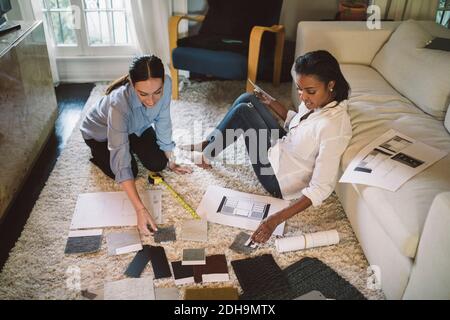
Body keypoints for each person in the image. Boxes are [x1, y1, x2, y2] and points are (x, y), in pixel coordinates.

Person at [183, 50, 353, 243]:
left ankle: (206, 154)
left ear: (331, 84)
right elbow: (296, 124)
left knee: (243, 113)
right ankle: (209, 144)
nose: (303, 97)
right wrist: (270, 102)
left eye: (310, 91)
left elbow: (321, 188)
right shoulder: (320, 103)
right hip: (283, 146)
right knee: (248, 99)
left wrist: (274, 220)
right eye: (299, 89)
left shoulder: (333, 127)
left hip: (277, 178)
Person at [80, 55, 192, 236]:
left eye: (157, 92)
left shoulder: (167, 83)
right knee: (129, 171)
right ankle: (97, 154)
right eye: (143, 94)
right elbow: (121, 160)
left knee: (158, 164)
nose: (151, 101)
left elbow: (163, 121)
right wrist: (140, 209)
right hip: (99, 135)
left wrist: (171, 160)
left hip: (135, 128)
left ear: (164, 81)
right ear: (132, 84)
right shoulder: (118, 105)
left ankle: (132, 143)